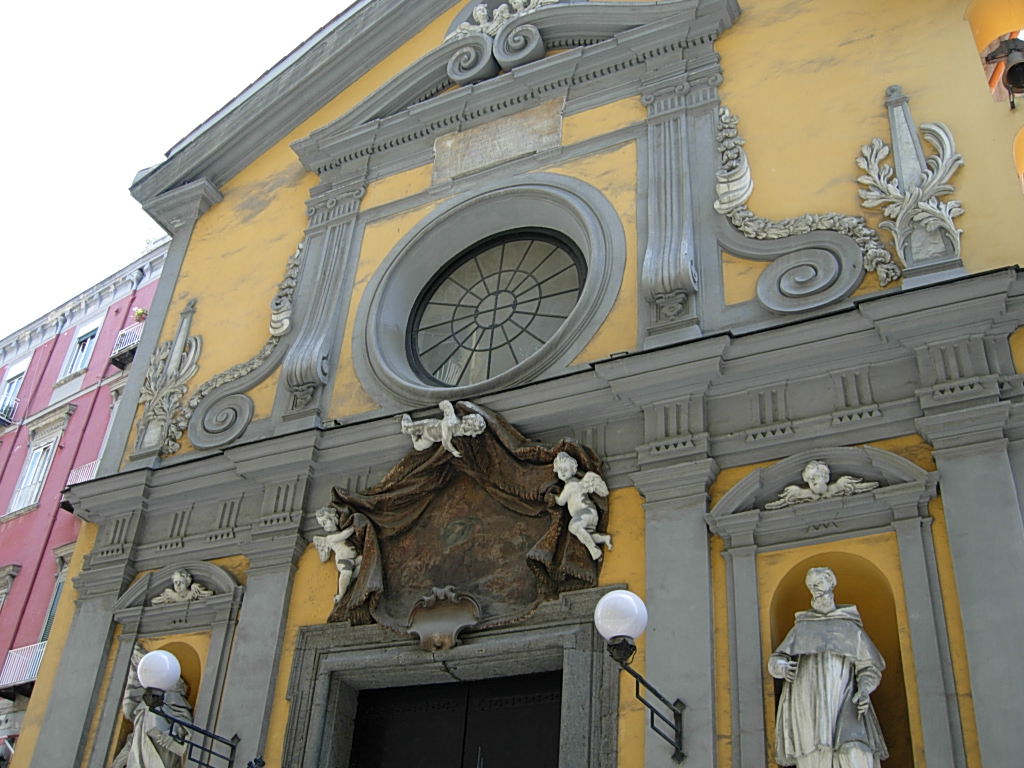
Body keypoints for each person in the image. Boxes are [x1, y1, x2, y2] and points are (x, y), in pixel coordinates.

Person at [768, 567, 888, 768]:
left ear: (831, 583)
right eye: (810, 584)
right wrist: (782, 667)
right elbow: (777, 658)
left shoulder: (849, 627)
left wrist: (865, 689)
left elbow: (869, 666)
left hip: (844, 696)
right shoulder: (802, 626)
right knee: (813, 754)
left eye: (818, 582)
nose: (814, 587)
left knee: (856, 751)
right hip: (807, 701)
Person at [552, 451, 612, 560]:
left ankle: (594, 550)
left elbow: (561, 501)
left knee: (573, 527)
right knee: (587, 534)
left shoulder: (570, 485)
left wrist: (552, 497)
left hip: (586, 513)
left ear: (573, 469)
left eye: (565, 469)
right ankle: (604, 539)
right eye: (560, 469)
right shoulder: (577, 483)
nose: (563, 472)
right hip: (590, 515)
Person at [314, 507, 362, 603]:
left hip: (353, 558)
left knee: (364, 562)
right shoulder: (330, 538)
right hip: (343, 560)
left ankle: (351, 582)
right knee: (346, 572)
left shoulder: (339, 530)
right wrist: (354, 525)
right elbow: (344, 535)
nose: (324, 527)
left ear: (333, 518)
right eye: (322, 525)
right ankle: (341, 594)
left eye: (324, 522)